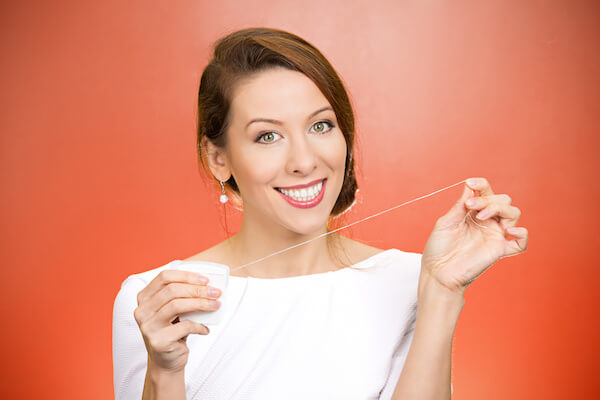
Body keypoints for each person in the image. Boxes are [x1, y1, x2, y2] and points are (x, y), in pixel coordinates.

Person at [112, 27, 528, 400]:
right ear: (218, 158)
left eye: (320, 126)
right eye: (268, 135)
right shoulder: (157, 302)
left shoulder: (410, 282)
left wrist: (442, 291)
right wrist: (164, 375)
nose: (304, 161)